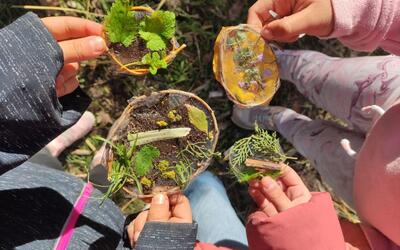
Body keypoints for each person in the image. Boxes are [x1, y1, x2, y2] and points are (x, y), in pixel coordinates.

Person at [230, 0, 400, 249]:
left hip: (369, 192)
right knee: (318, 75)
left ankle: (279, 119)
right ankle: (273, 61)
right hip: (389, 90)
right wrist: (354, 9)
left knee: (311, 140)